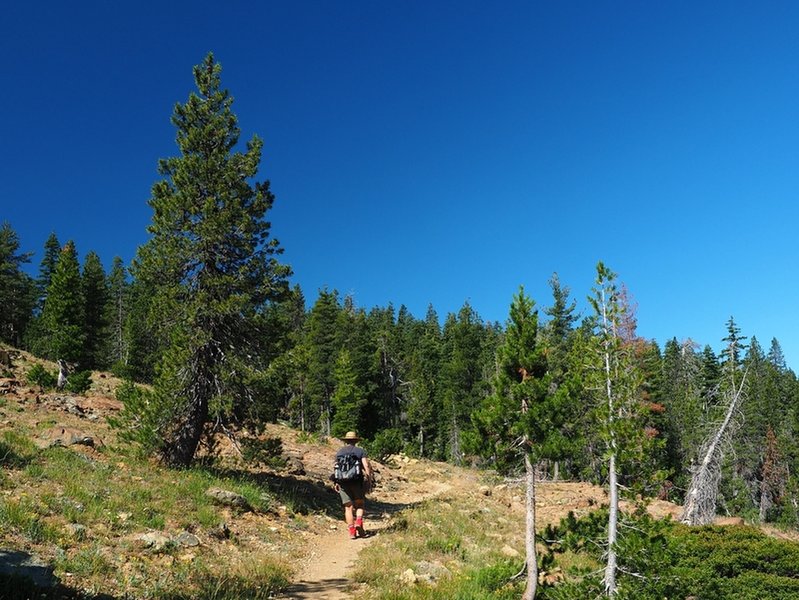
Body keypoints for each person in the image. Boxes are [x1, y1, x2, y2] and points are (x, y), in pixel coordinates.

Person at [333, 431, 373, 539]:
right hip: (356, 481)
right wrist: (369, 479)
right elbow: (366, 466)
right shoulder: (360, 451)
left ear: (346, 441)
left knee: (348, 507)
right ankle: (358, 522)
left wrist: (336, 482)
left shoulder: (340, 452)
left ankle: (352, 531)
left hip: (342, 482)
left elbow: (336, 467)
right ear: (356, 440)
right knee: (359, 504)